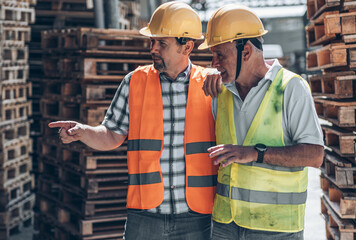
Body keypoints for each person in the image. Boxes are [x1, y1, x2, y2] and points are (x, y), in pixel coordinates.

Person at [48, 2, 218, 239]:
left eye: (162, 43)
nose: (153, 49)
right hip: (145, 216)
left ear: (187, 46)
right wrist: (83, 132)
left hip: (198, 216)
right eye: (152, 41)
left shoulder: (212, 84)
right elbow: (111, 135)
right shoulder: (134, 82)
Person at [199, 4, 324, 240]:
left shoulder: (291, 87)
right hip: (226, 224)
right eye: (212, 56)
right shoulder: (220, 91)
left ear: (245, 51)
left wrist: (255, 153)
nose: (213, 63)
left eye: (220, 55)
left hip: (276, 228)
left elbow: (314, 155)